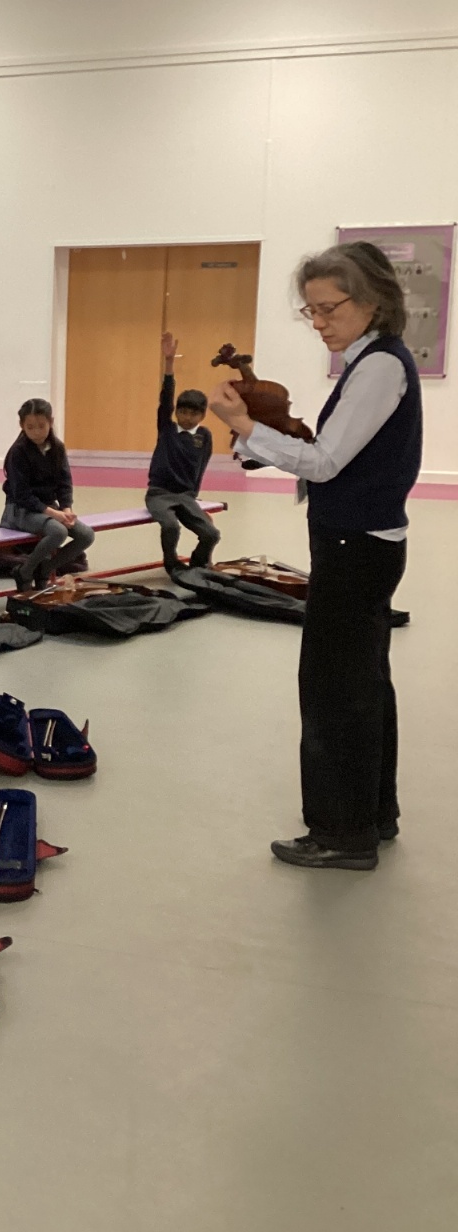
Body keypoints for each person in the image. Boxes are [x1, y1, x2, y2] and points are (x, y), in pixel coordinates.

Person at [209, 241, 422, 873]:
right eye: (312, 311)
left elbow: (326, 462)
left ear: (373, 301)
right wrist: (263, 436)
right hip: (363, 544)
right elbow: (328, 457)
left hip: (356, 548)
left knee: (334, 692)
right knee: (362, 685)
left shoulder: (378, 367)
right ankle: (372, 816)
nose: (319, 322)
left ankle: (343, 833)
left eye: (330, 308)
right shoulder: (371, 362)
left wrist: (246, 427)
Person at [144, 331, 220, 574]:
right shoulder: (167, 428)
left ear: (202, 415)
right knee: (170, 527)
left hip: (186, 496)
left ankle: (198, 566)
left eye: (193, 414)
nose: (187, 418)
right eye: (183, 412)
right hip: (159, 494)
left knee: (211, 533)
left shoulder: (204, 436)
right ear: (176, 412)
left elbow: (201, 467)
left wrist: (193, 495)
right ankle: (172, 563)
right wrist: (169, 364)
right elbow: (166, 399)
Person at [1, 398, 95, 590]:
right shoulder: (18, 452)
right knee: (58, 531)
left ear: (50, 422)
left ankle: (45, 569)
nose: (36, 432)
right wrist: (54, 514)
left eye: (41, 426)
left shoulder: (57, 448)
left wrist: (66, 509)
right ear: (22, 425)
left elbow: (64, 482)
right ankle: (25, 571)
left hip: (48, 509)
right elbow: (22, 495)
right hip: (20, 510)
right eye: (30, 427)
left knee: (86, 535)